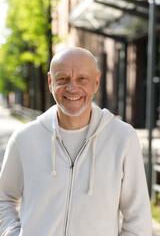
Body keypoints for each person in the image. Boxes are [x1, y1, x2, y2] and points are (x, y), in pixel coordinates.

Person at [0, 47, 152, 236]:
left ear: (96, 82)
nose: (72, 88)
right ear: (50, 81)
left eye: (82, 79)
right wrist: (12, 233)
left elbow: (138, 219)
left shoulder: (122, 137)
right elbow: (3, 198)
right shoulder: (24, 139)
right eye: (63, 79)